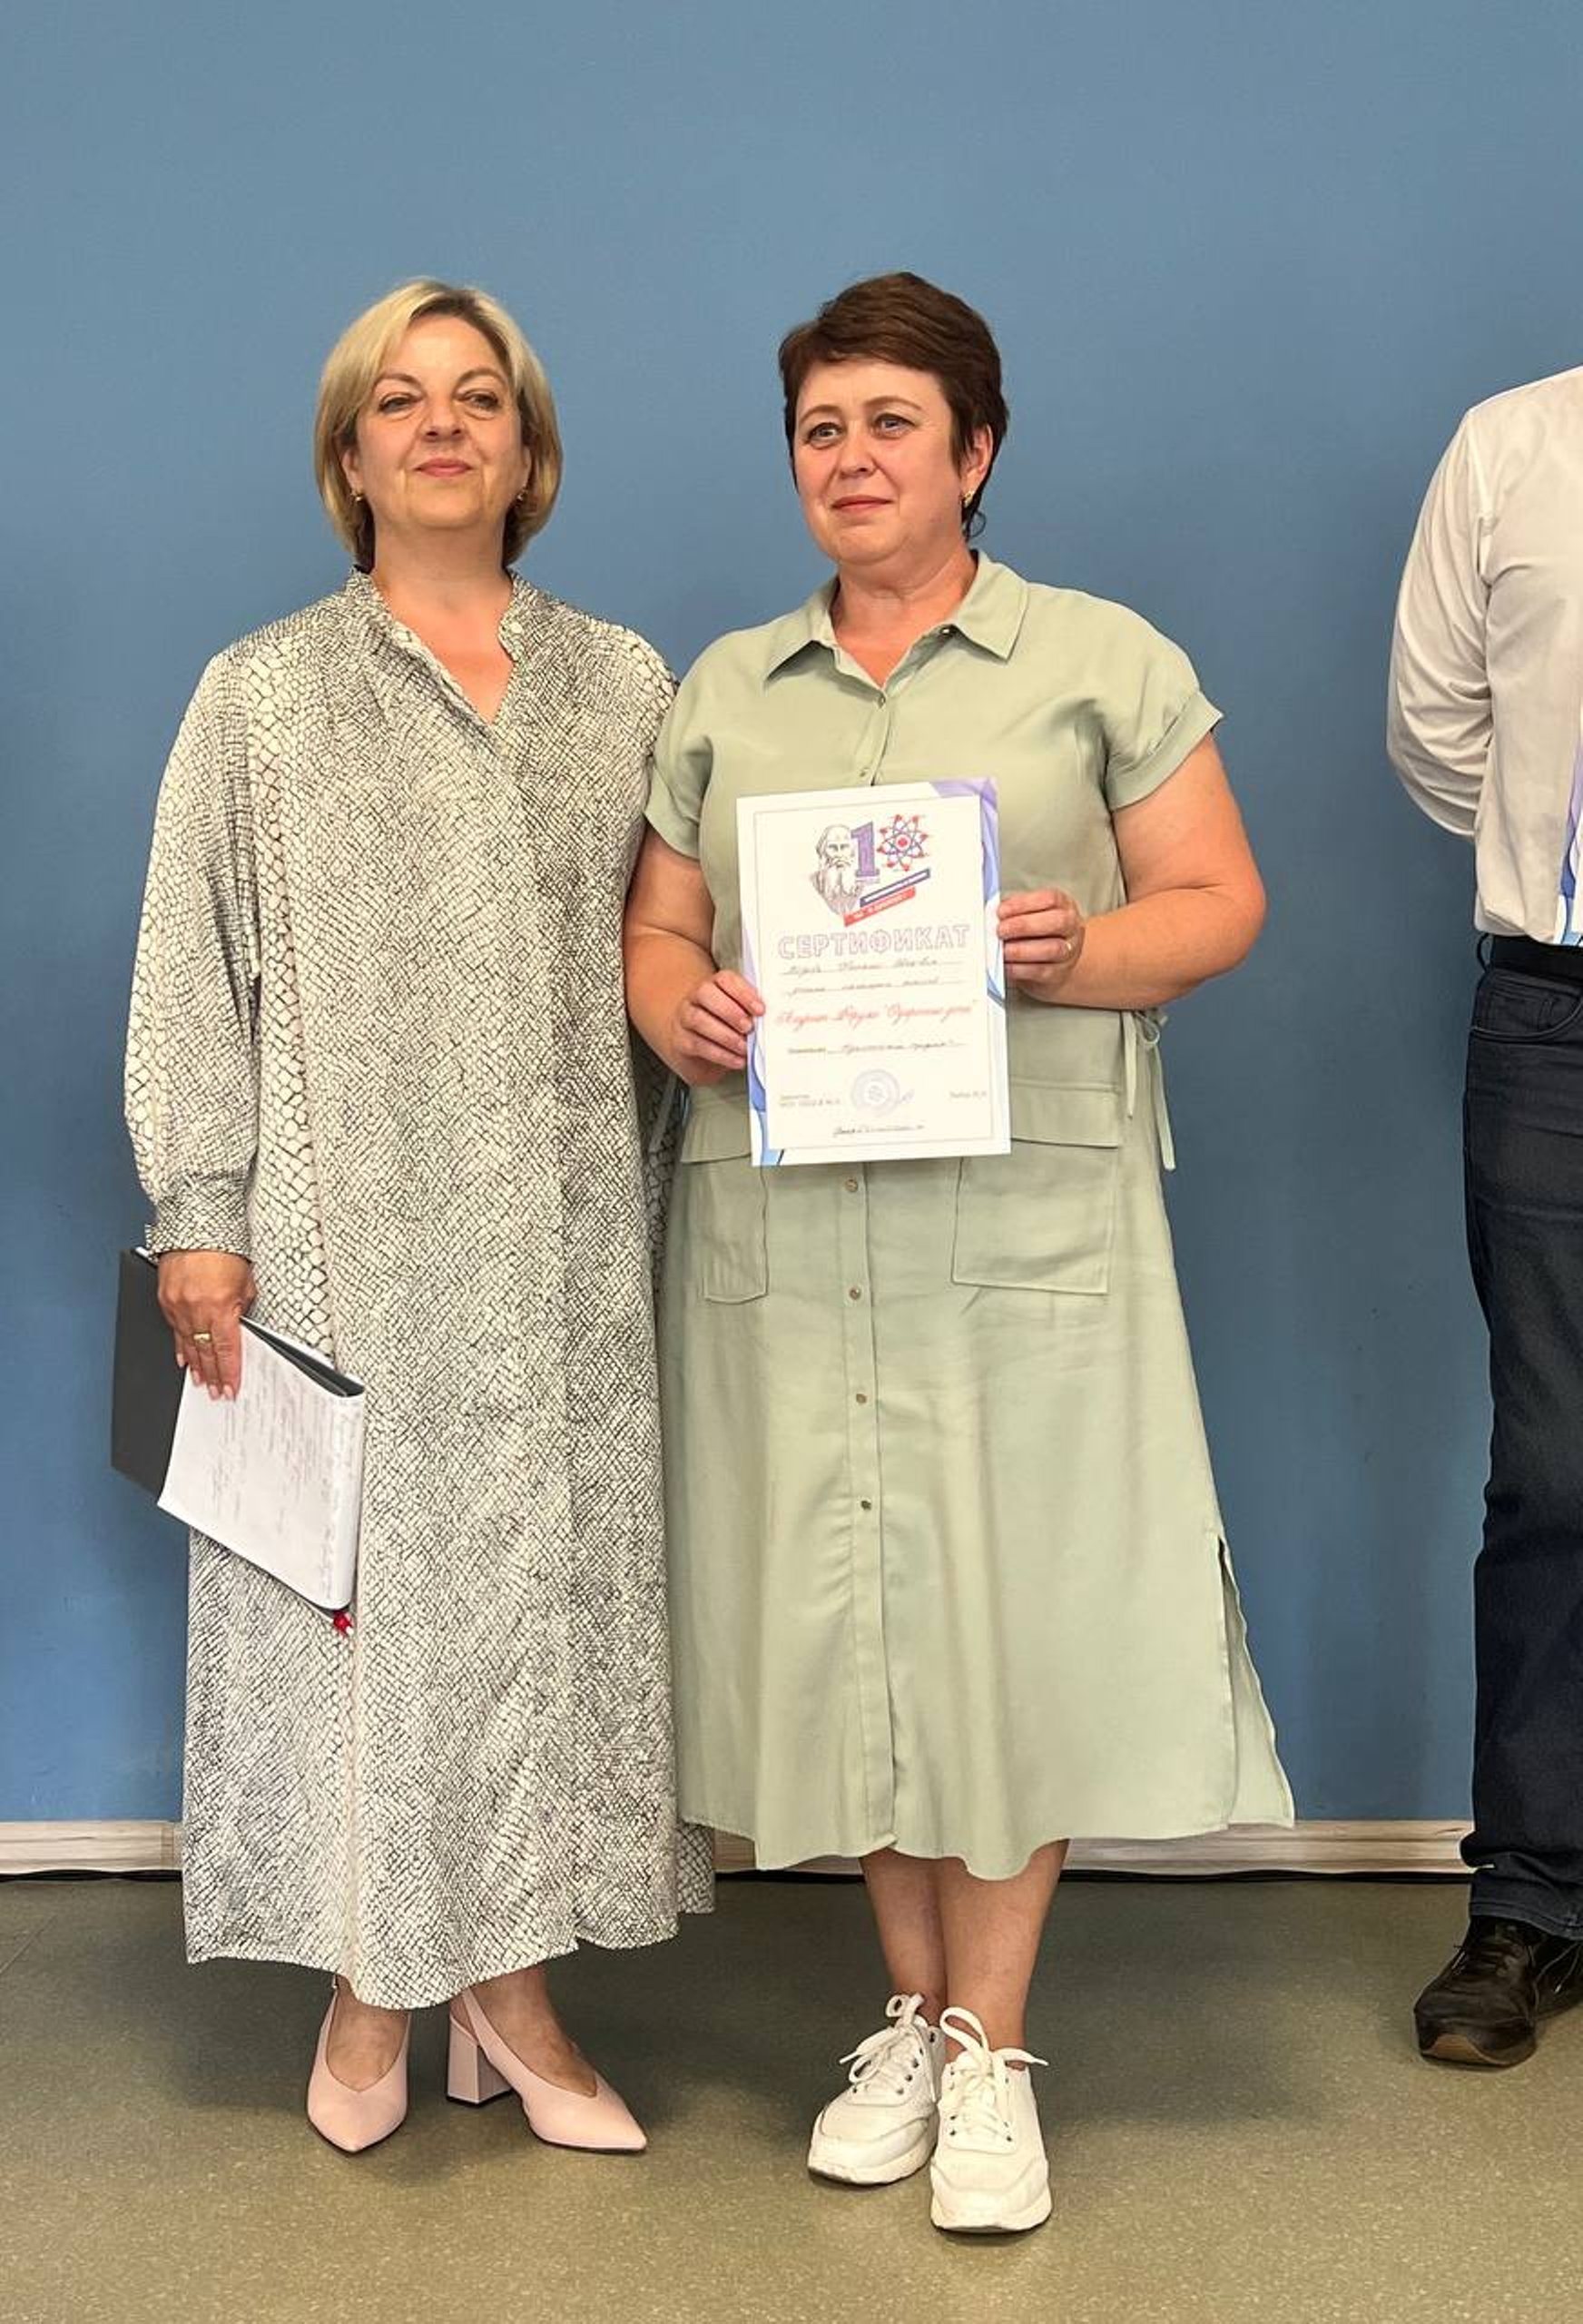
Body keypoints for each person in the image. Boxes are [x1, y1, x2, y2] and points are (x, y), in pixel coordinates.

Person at [624, 272, 1291, 2234]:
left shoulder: (1102, 658)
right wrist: (679, 1008)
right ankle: (909, 2017)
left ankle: (993, 2046)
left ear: (975, 451)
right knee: (860, 1623)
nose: (851, 459)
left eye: (890, 423)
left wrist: (1083, 948)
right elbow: (659, 932)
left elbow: (1221, 900)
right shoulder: (728, 688)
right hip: (791, 1221)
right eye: (820, 429)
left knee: (1008, 1618)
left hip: (1021, 1225)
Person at [125, 279, 710, 2157]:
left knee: (537, 1602)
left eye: (479, 397)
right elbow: (190, 961)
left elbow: (679, 934)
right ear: (350, 454)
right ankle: (373, 1987)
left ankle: (511, 1993)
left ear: (529, 451)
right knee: (363, 1615)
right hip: (338, 1231)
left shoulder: (624, 683)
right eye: (401, 399)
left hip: (562, 1243)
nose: (441, 424)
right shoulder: (262, 693)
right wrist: (197, 1210)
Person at [1389, 367, 1583, 2067]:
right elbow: (1440, 730)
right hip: (1557, 1020)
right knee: (1557, 1472)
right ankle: (1532, 1898)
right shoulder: (1514, 449)